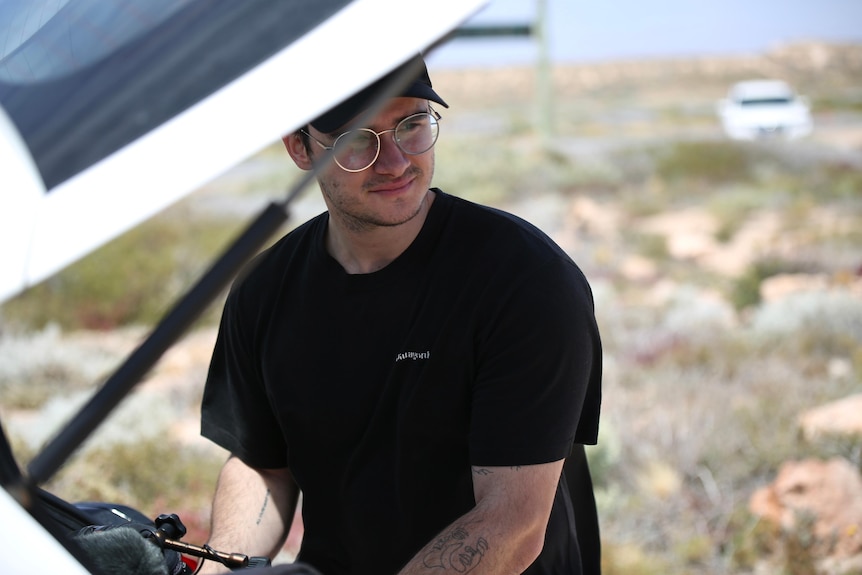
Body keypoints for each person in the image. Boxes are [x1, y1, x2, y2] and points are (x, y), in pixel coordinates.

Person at [199, 54, 602, 575]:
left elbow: (512, 524)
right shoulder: (264, 290)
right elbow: (263, 467)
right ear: (299, 147)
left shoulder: (524, 280)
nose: (394, 162)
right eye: (357, 140)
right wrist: (218, 569)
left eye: (412, 126)